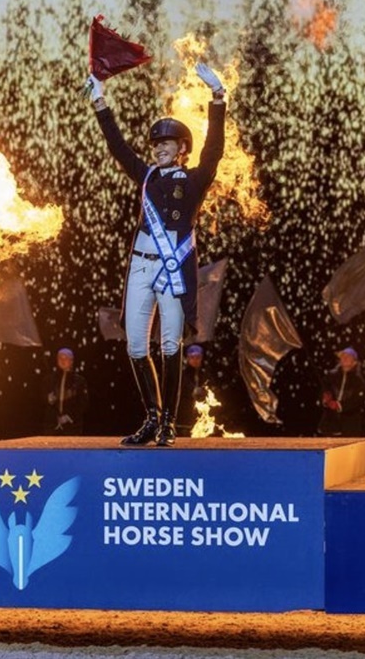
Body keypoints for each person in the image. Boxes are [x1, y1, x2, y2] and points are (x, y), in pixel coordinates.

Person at [85, 63, 226, 447]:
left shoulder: (194, 180)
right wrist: (99, 101)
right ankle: (150, 417)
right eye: (156, 143)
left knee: (169, 346)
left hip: (173, 271)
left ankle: (167, 423)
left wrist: (218, 98)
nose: (160, 148)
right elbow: (117, 146)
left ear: (182, 149)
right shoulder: (146, 176)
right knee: (134, 344)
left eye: (168, 143)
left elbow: (214, 149)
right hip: (140, 269)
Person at [317, 348, 365, 438]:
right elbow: (323, 390)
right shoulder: (330, 376)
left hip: (349, 426)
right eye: (343, 356)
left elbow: (357, 401)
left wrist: (339, 405)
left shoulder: (359, 382)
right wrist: (325, 398)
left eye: (348, 356)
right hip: (330, 425)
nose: (344, 358)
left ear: (354, 362)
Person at [43, 348, 89, 436]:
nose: (63, 360)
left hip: (72, 427)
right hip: (51, 426)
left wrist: (69, 416)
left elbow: (83, 403)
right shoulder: (49, 380)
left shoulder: (79, 381)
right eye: (60, 358)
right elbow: (40, 399)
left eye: (66, 358)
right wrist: (47, 399)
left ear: (71, 361)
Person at [177, 344, 209, 436]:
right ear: (187, 358)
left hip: (201, 416)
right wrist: (193, 390)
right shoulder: (183, 374)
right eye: (192, 357)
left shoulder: (205, 374)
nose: (195, 360)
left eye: (198, 357)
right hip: (184, 414)